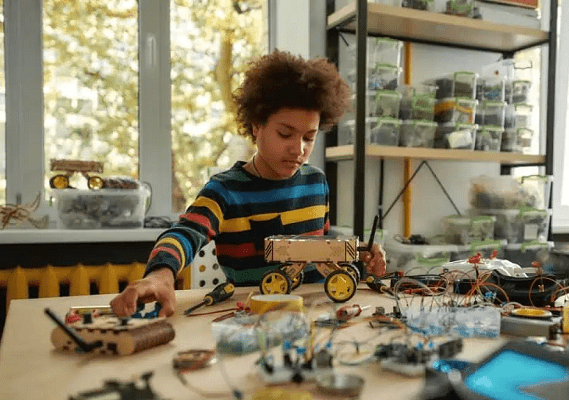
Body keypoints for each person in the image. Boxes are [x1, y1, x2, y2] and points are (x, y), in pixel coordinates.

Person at [110, 50, 386, 317]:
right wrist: (161, 274)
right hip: (251, 316)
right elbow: (186, 232)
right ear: (256, 126)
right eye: (285, 134)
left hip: (314, 314)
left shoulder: (317, 183)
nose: (298, 149)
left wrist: (362, 259)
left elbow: (321, 249)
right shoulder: (225, 189)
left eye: (309, 137)